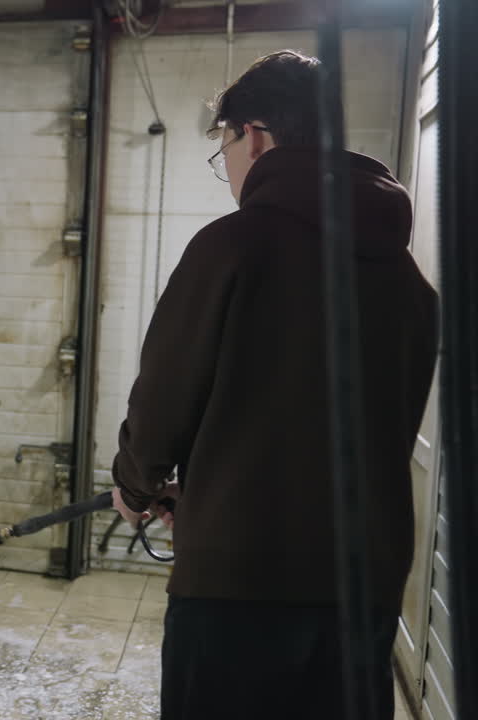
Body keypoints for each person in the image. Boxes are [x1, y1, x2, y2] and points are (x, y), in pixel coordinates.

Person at [109, 50, 438, 720]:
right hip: (364, 585)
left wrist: (137, 485)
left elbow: (164, 399)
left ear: (252, 133)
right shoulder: (408, 281)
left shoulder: (233, 246)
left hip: (239, 584)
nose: (226, 165)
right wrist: (203, 486)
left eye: (222, 146)